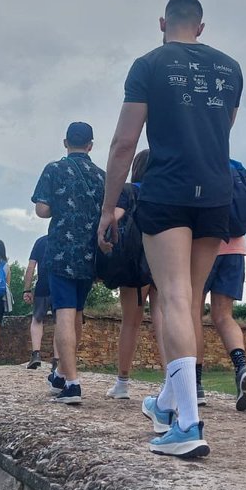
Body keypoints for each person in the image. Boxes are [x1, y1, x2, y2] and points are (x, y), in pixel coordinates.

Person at [98, 0, 242, 458]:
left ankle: (188, 424)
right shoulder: (231, 69)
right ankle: (167, 401)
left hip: (167, 189)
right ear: (200, 27)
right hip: (217, 192)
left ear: (163, 23)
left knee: (174, 297)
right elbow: (223, 131)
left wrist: (109, 206)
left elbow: (124, 142)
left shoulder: (149, 63)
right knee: (191, 301)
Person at [32, 121, 106, 404]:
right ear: (90, 145)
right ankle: (62, 372)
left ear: (66, 142)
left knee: (63, 313)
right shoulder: (101, 176)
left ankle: (72, 383)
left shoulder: (55, 169)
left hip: (62, 250)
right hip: (90, 253)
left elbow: (42, 209)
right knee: (76, 313)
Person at [105, 149, 164, 401]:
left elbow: (114, 217)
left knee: (130, 322)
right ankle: (172, 380)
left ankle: (122, 382)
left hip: (134, 265)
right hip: (162, 263)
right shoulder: (163, 194)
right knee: (164, 321)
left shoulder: (129, 191)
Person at [203, 234, 246, 411]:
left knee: (192, 314)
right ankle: (242, 366)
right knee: (224, 316)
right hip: (235, 250)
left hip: (203, 246)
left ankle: (194, 384)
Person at [22, 231, 55, 370]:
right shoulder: (66, 238)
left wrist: (27, 289)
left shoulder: (40, 242)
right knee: (61, 321)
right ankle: (57, 359)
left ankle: (36, 354)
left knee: (37, 319)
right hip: (61, 286)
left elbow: (31, 267)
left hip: (42, 286)